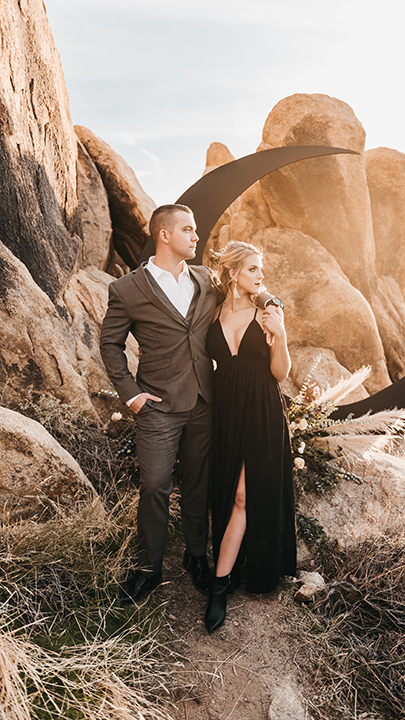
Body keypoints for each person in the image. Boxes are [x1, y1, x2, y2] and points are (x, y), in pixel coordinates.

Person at [100, 204, 221, 605]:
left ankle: (196, 556)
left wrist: (270, 298)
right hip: (158, 406)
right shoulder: (128, 289)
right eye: (188, 229)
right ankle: (148, 569)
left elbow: (244, 287)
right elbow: (110, 344)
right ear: (164, 235)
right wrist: (132, 395)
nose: (196, 236)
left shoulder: (205, 280)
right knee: (154, 485)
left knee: (199, 484)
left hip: (204, 399)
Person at [204, 241, 297, 632]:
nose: (261, 276)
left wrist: (282, 337)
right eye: (253, 269)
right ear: (232, 274)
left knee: (245, 493)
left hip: (260, 409)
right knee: (223, 490)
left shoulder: (268, 312)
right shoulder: (211, 310)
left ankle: (220, 585)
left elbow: (280, 373)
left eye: (262, 269)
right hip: (224, 411)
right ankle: (230, 568)